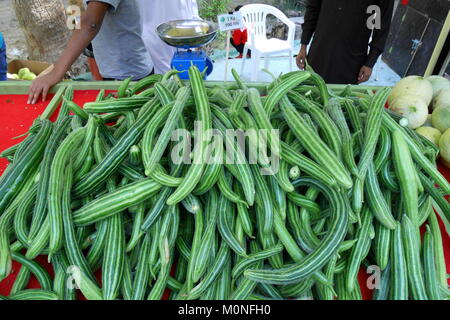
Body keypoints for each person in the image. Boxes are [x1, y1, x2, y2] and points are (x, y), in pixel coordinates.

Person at [28, 0, 153, 104]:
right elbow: (80, 15)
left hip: (128, 76)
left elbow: (90, 24)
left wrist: (55, 73)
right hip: (113, 71)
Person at [296, 0, 394, 84]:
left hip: (351, 61)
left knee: (342, 101)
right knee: (310, 95)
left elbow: (381, 26)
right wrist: (303, 45)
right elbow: (313, 8)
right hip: (320, 52)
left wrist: (370, 63)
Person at [137, 0, 200, 75]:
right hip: (154, 34)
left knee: (187, 73)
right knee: (162, 77)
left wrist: (196, 21)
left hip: (186, 33)